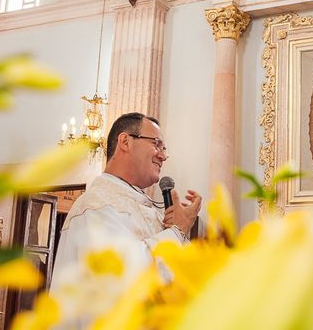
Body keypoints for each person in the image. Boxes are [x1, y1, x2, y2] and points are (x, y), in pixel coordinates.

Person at [51, 112, 202, 288]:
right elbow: (123, 277)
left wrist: (178, 232)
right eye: (156, 144)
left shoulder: (146, 208)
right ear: (125, 142)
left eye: (164, 149)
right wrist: (177, 231)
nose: (163, 156)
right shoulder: (96, 206)